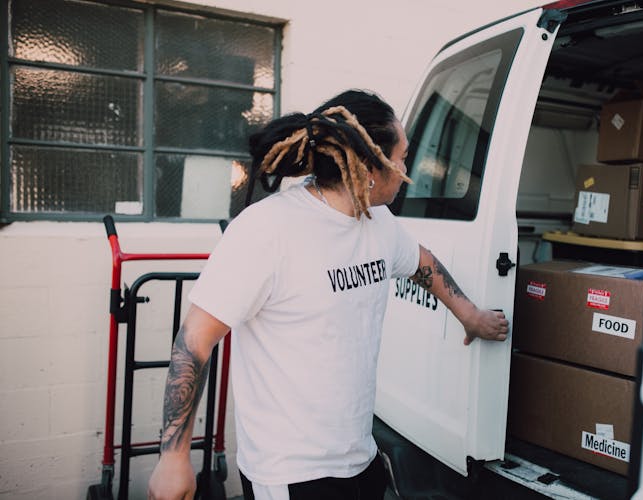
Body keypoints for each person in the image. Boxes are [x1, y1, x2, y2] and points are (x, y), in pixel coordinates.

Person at [147, 89, 509, 500]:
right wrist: (174, 458)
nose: (407, 167)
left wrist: (470, 316)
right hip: (290, 473)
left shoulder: (379, 221)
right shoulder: (268, 229)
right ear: (370, 165)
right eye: (402, 156)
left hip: (360, 457)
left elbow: (421, 261)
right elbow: (194, 341)